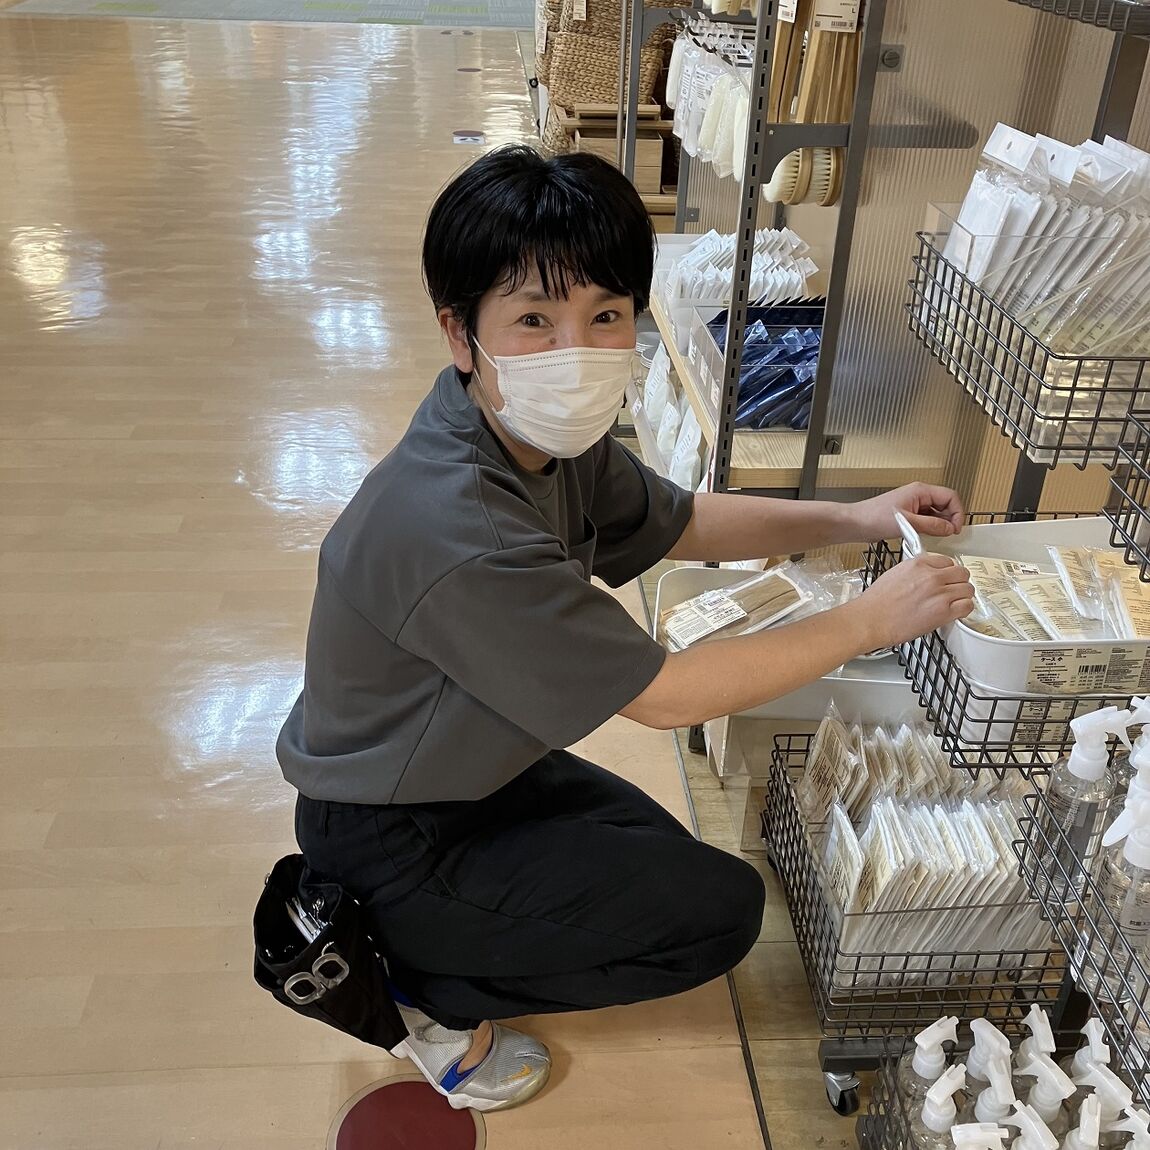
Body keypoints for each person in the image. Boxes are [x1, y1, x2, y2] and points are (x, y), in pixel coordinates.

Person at [277, 145, 974, 1113]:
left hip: (475, 769)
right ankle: (415, 985)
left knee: (656, 854)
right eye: (534, 320)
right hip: (391, 826)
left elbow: (681, 519)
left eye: (605, 315)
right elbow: (666, 695)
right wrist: (867, 619)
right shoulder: (460, 525)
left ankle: (448, 931)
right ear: (460, 334)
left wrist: (854, 517)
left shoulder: (527, 436)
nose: (578, 347)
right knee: (718, 916)